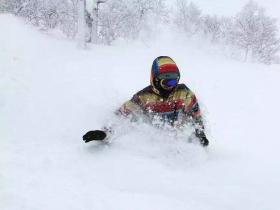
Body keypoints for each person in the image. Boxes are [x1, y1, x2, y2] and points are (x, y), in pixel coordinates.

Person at [83, 56, 209, 147]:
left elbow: (195, 115)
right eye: (167, 82)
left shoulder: (184, 94)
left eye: (175, 80)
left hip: (175, 138)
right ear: (155, 80)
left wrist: (200, 133)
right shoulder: (143, 97)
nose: (171, 85)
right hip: (154, 141)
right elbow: (121, 115)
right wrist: (105, 133)